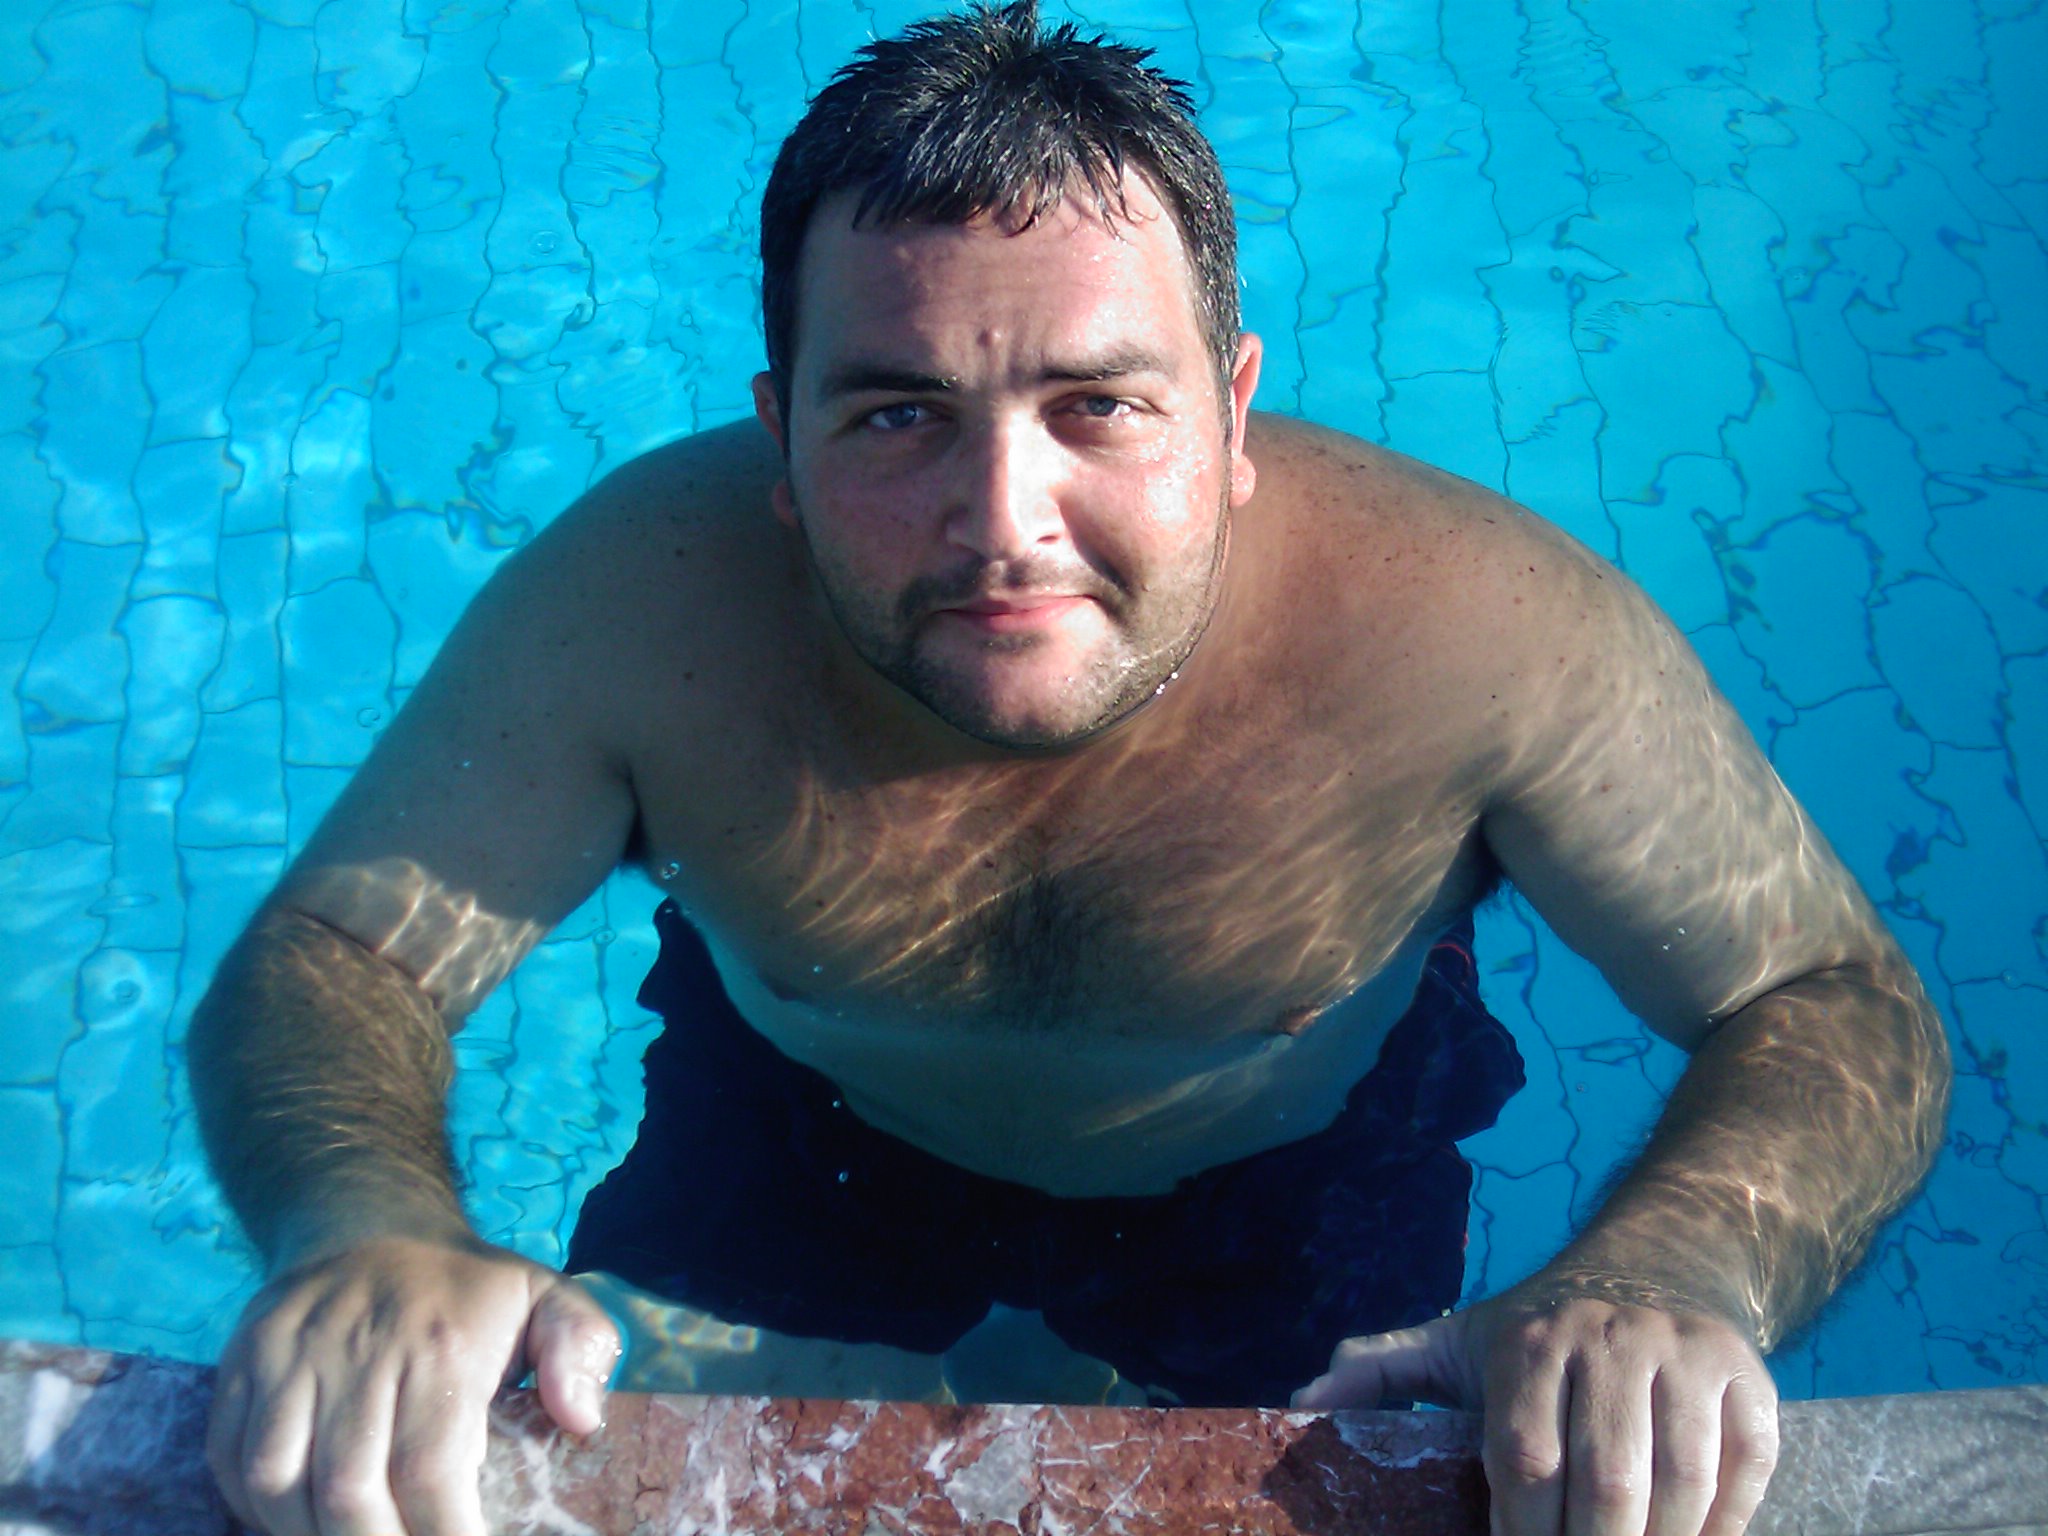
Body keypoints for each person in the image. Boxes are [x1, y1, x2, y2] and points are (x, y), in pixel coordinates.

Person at [188, 5, 1951, 1535]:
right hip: (799, 1136)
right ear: (780, 440)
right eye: (897, 415)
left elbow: (1829, 1000)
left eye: (1098, 405)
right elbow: (343, 956)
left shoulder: (1484, 641)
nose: (1004, 524)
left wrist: (1670, 1272)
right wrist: (370, 1231)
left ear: (1234, 413)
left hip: (1290, 1185)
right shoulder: (639, 611)